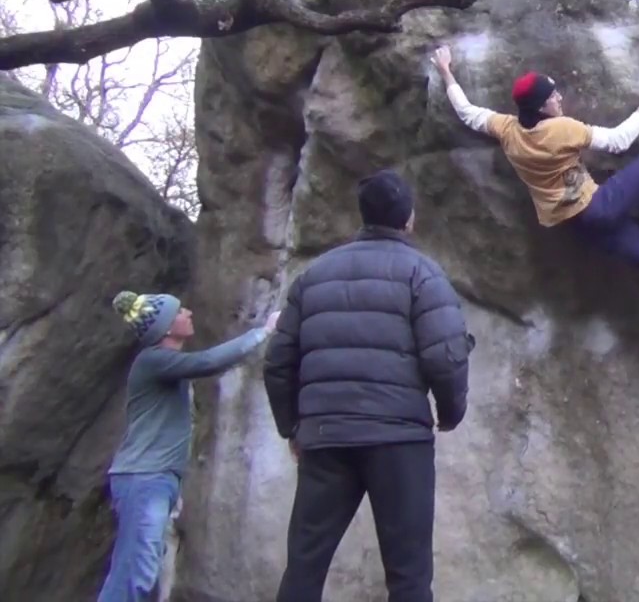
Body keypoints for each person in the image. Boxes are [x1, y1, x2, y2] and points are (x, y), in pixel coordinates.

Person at [428, 44, 639, 313]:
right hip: (598, 207)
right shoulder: (561, 130)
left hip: (581, 228)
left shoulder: (508, 130)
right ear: (542, 107)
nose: (559, 97)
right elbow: (618, 142)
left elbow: (467, 112)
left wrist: (446, 72)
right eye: (552, 96)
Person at [264, 168, 473, 602]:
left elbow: (279, 360)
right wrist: (451, 412)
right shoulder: (424, 274)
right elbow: (446, 354)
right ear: (408, 218)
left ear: (363, 216)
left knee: (304, 566)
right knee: (409, 573)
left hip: (325, 437)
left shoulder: (315, 275)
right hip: (398, 439)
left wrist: (292, 428)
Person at [98, 290, 279, 602]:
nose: (189, 313)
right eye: (180, 311)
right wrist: (263, 332)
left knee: (142, 569)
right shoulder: (154, 362)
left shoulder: (165, 365)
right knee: (135, 572)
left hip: (154, 478)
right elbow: (208, 362)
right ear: (166, 328)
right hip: (144, 478)